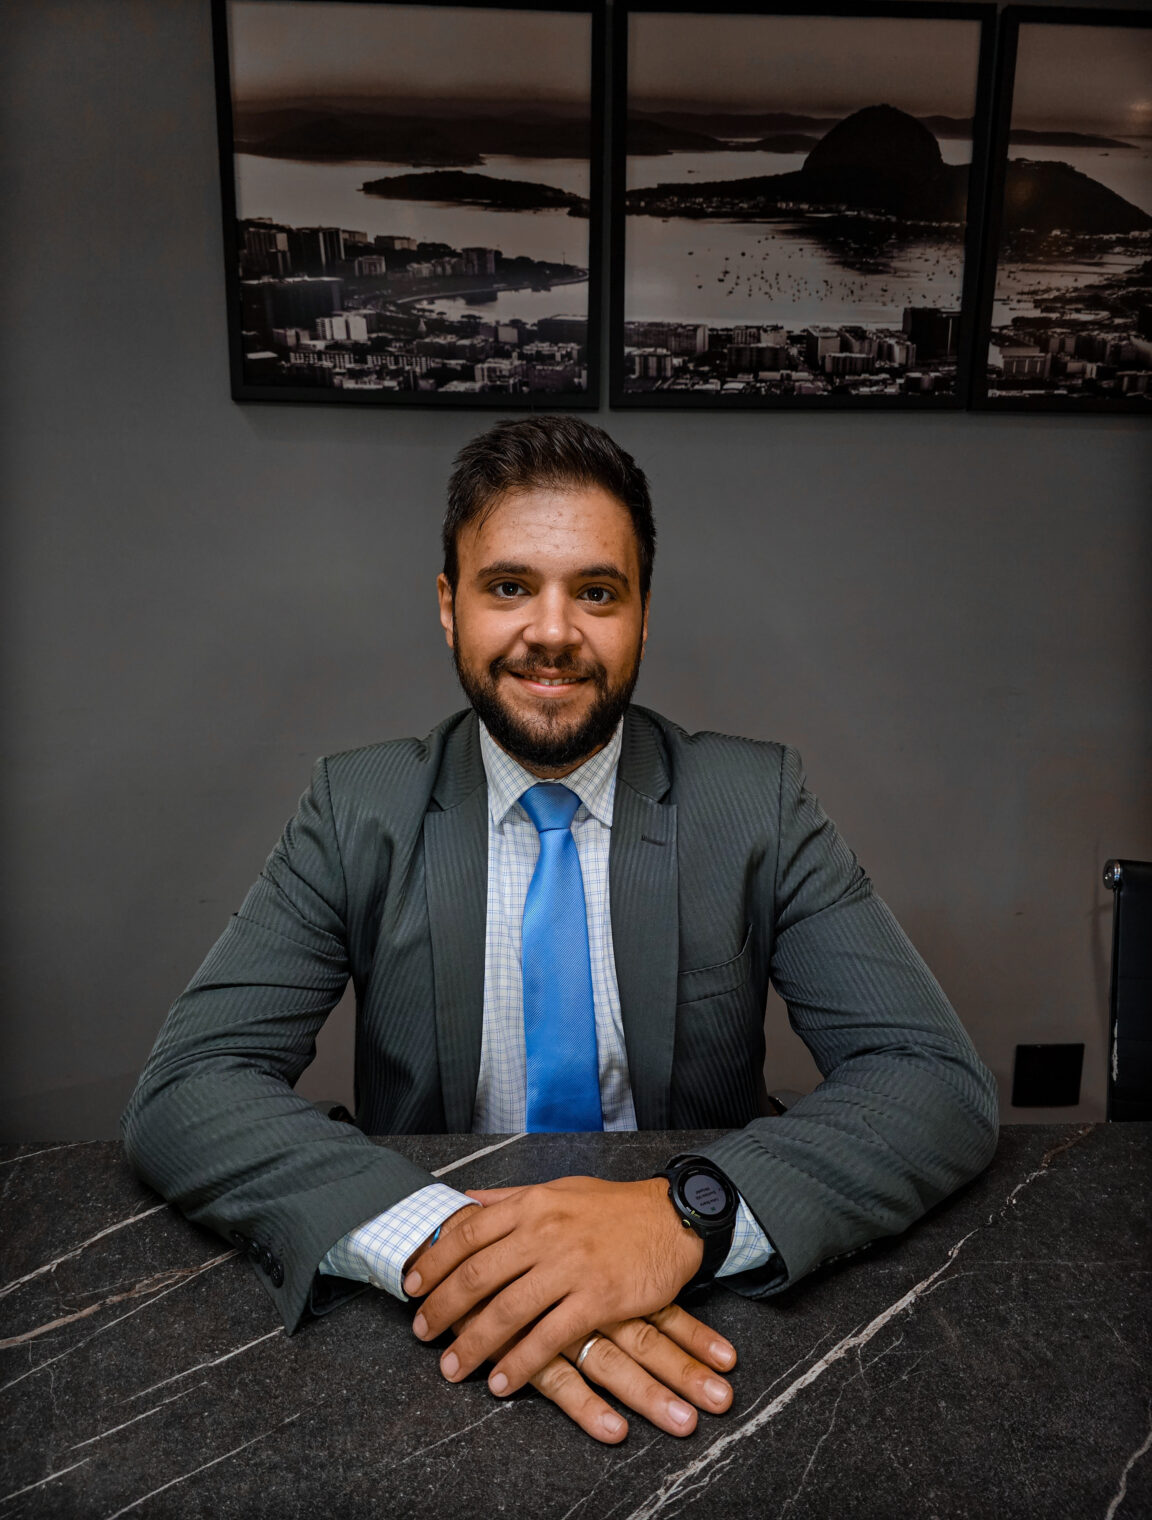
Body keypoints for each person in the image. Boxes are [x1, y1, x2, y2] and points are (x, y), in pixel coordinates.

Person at [122, 415, 998, 1446]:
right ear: (448, 606)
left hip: (704, 1301)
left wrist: (687, 1214)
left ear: (642, 615)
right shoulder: (354, 809)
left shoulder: (753, 802)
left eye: (596, 592)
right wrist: (447, 1245)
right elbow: (191, 1084)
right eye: (508, 587)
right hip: (434, 1327)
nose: (552, 631)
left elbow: (933, 1079)